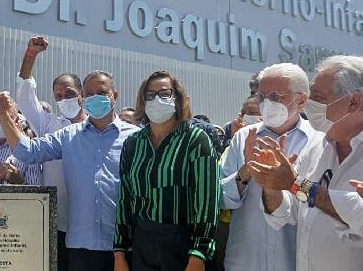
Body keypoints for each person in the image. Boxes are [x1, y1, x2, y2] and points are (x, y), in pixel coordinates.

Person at [0, 70, 140, 271]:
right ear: (83, 98)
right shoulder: (68, 135)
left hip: (125, 244)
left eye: (102, 92)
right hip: (81, 244)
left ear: (115, 95)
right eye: (90, 94)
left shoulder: (136, 138)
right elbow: (28, 152)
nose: (95, 98)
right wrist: (3, 116)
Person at [248, 55, 363, 271]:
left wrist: (295, 184)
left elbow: (358, 214)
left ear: (354, 102)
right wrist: (272, 189)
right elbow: (288, 213)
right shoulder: (316, 146)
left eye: (318, 98)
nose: (308, 104)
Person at [220, 63, 323, 271]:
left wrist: (288, 182)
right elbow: (221, 199)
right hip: (245, 261)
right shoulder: (243, 138)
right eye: (262, 96)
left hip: (294, 261)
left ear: (301, 100)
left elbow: (319, 203)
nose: (267, 103)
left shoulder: (319, 142)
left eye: (275, 96)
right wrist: (245, 172)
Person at [113, 71, 220, 271]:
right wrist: (119, 252)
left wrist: (199, 254)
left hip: (184, 245)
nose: (156, 100)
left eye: (164, 94)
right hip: (143, 244)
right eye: (150, 95)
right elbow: (125, 200)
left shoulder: (196, 140)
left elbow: (207, 201)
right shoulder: (133, 143)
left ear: (178, 99)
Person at [16, 36, 88, 271]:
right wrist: (30, 55)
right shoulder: (49, 125)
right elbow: (26, 98)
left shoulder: (96, 128)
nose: (64, 99)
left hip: (88, 223)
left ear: (82, 94)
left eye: (69, 93)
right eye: (58, 95)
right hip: (55, 221)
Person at [0, 109, 42, 185]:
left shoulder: (29, 151)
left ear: (16, 120)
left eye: (4, 117)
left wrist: (14, 178)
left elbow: (37, 193)